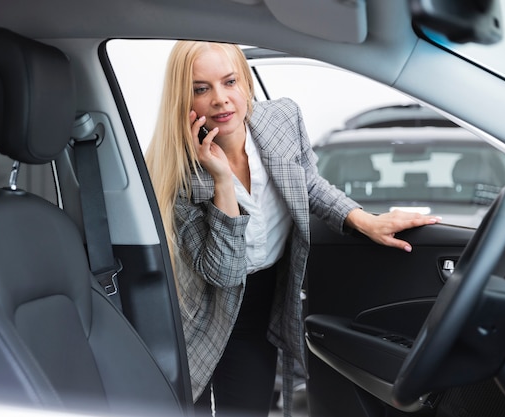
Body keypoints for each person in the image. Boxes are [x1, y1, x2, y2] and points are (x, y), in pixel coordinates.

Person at [144, 41, 440, 417]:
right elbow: (224, 272)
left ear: (246, 82)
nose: (220, 98)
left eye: (230, 81)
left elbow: (307, 184)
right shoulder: (182, 175)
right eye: (202, 89)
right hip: (202, 313)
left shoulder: (280, 120)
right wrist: (221, 181)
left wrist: (366, 221)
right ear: (183, 100)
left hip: (259, 303)